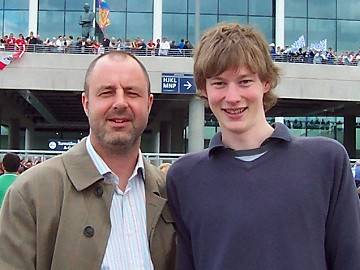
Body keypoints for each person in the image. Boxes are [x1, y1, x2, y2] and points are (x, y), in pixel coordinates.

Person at [166, 23, 360, 270]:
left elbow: (350, 259)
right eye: (219, 83)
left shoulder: (326, 161)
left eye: (244, 81)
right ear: (204, 88)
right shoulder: (183, 177)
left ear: (266, 82)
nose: (233, 97)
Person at [0, 51, 176, 270]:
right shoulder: (30, 193)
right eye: (106, 92)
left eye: (132, 93)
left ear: (149, 104)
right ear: (86, 103)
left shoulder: (171, 193)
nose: (120, 103)